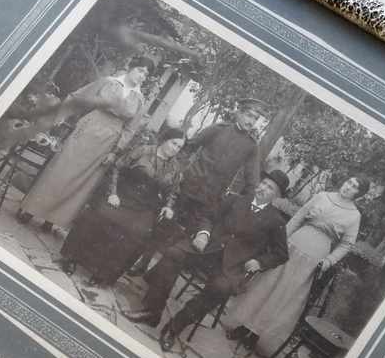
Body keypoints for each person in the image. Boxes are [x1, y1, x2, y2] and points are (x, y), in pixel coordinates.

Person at [125, 170, 291, 353]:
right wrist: (204, 234)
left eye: (270, 188)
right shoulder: (235, 200)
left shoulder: (275, 221)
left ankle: (174, 328)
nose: (263, 188)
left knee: (220, 288)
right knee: (174, 253)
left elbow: (281, 253)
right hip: (206, 250)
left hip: (231, 266)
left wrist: (260, 262)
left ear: (276, 196)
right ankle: (152, 311)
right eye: (263, 183)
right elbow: (209, 216)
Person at [226, 175, 368, 353]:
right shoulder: (322, 196)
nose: (348, 187)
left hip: (314, 257)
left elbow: (347, 244)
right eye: (349, 182)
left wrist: (329, 261)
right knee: (268, 284)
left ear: (359, 194)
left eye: (354, 187)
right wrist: (280, 242)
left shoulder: (354, 216)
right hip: (292, 245)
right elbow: (299, 217)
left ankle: (256, 335)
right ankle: (243, 326)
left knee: (286, 295)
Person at [17, 56, 153, 231]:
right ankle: (31, 210)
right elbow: (78, 96)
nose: (142, 76)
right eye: (140, 70)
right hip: (88, 129)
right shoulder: (108, 82)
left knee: (80, 182)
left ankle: (52, 220)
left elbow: (130, 129)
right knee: (60, 170)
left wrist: (115, 151)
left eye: (146, 74)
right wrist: (59, 117)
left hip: (108, 142)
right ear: (131, 67)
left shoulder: (140, 99)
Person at [55, 126, 186, 287]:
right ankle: (70, 258)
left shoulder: (175, 168)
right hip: (122, 195)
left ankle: (103, 273)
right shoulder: (143, 151)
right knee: (97, 215)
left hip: (145, 206)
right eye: (174, 143)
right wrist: (112, 193)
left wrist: (168, 206)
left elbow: (173, 192)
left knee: (138, 233)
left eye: (179, 147)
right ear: (165, 140)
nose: (176, 149)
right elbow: (116, 168)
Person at [172, 97, 264, 232]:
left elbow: (252, 181)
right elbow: (188, 147)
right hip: (187, 187)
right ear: (238, 113)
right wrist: (177, 171)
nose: (251, 121)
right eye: (248, 115)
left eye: (255, 118)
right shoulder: (218, 129)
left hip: (209, 199)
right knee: (166, 221)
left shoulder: (251, 146)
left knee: (183, 234)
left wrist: (239, 204)